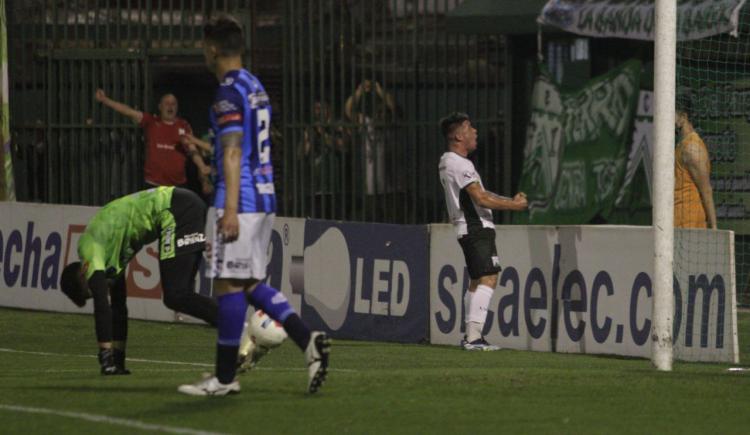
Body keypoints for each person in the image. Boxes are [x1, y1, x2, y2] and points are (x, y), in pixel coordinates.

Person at [177, 14, 330, 396]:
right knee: (247, 284)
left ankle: (225, 379)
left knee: (228, 286)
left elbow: (232, 154)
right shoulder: (254, 85)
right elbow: (239, 146)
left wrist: (228, 208)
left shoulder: (227, 90)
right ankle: (307, 342)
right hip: (263, 195)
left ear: (212, 48)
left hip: (240, 201)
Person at [59, 187, 218, 374]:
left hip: (175, 209)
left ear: (83, 271)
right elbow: (118, 307)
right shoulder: (109, 257)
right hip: (183, 205)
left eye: (91, 289)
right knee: (179, 295)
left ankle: (232, 322)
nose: (98, 290)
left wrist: (104, 354)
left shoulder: (90, 249)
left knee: (176, 295)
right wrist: (117, 361)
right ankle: (231, 324)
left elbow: (102, 307)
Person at [438, 112, 528, 351]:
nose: (475, 131)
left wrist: (509, 200)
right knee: (488, 277)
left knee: (477, 280)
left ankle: (471, 335)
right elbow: (482, 198)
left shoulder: (451, 162)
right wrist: (516, 206)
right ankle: (474, 338)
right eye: (469, 127)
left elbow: (481, 195)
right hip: (475, 227)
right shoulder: (458, 163)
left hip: (469, 227)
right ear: (458, 135)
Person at [95, 89, 212, 189]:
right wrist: (105, 100)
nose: (170, 106)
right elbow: (128, 111)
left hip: (176, 186)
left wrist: (202, 167)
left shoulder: (183, 125)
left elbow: (192, 149)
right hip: (153, 184)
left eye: (173, 104)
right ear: (160, 107)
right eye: (167, 103)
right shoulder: (150, 121)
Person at [675, 109, 717, 229]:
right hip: (674, 219)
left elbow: (706, 190)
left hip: (688, 222)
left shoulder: (692, 148)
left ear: (683, 117)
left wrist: (713, 227)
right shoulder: (680, 144)